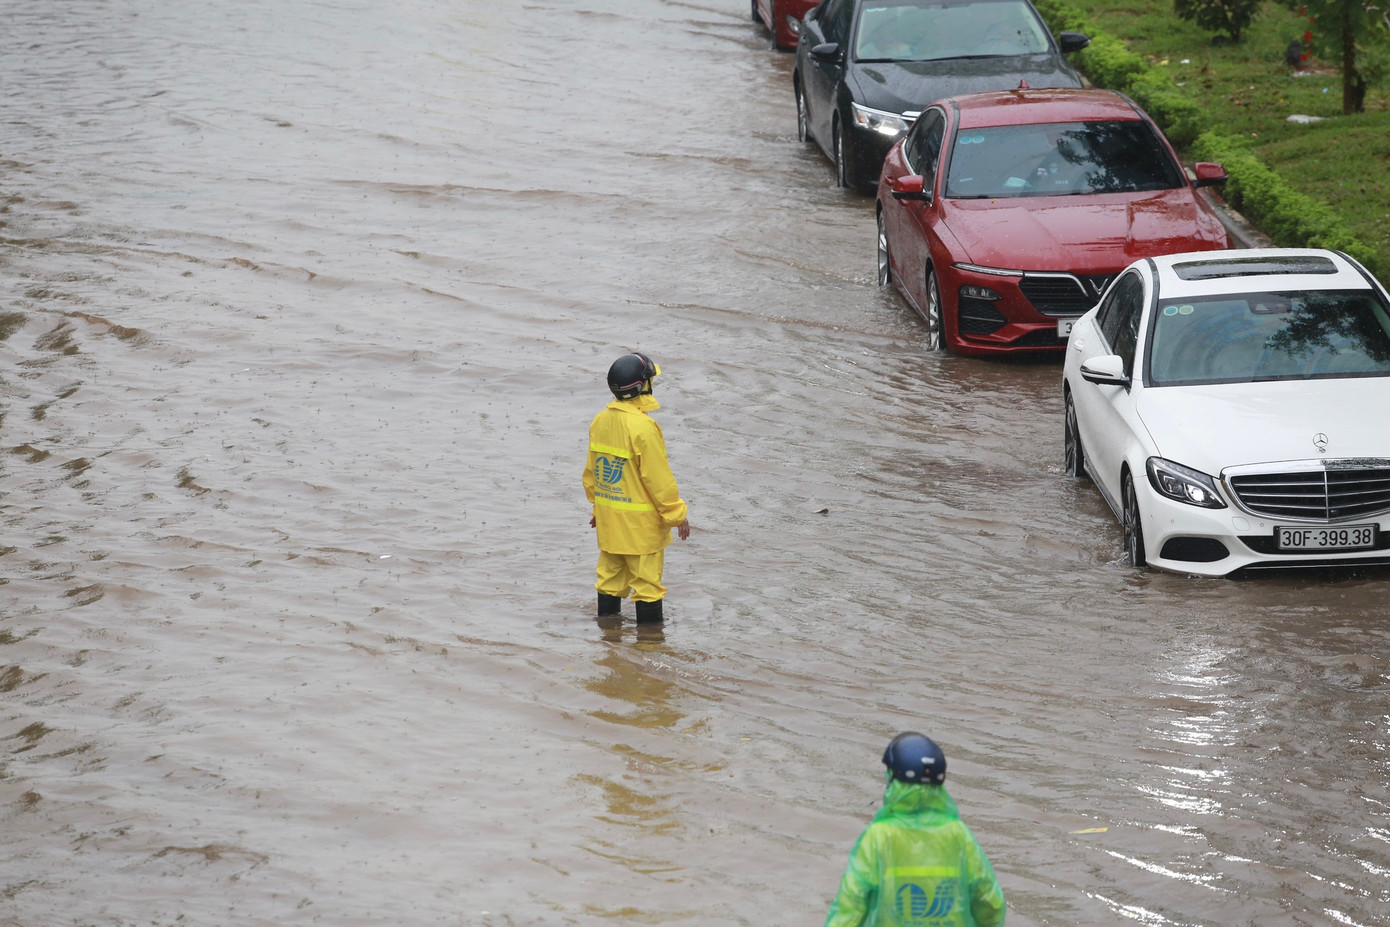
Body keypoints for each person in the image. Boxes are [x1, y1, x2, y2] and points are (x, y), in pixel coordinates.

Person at [825, 732, 1006, 927]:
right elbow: (990, 902)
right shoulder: (959, 835)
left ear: (893, 780)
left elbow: (850, 906)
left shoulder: (877, 836)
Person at [582, 352, 690, 624]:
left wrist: (598, 507)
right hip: (641, 529)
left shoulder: (600, 420)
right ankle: (649, 645)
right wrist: (677, 516)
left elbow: (592, 472)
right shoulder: (643, 427)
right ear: (642, 387)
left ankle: (608, 636)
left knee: (609, 579)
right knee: (647, 586)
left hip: (610, 522)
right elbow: (658, 478)